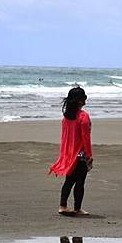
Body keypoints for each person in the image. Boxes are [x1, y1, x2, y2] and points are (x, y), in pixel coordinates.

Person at [48, 87, 93, 216]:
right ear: (79, 100)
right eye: (84, 97)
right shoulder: (83, 116)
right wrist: (89, 155)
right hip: (80, 155)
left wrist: (65, 154)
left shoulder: (66, 117)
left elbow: (65, 137)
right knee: (80, 182)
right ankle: (77, 208)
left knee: (69, 181)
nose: (86, 100)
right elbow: (86, 138)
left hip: (69, 154)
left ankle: (62, 206)